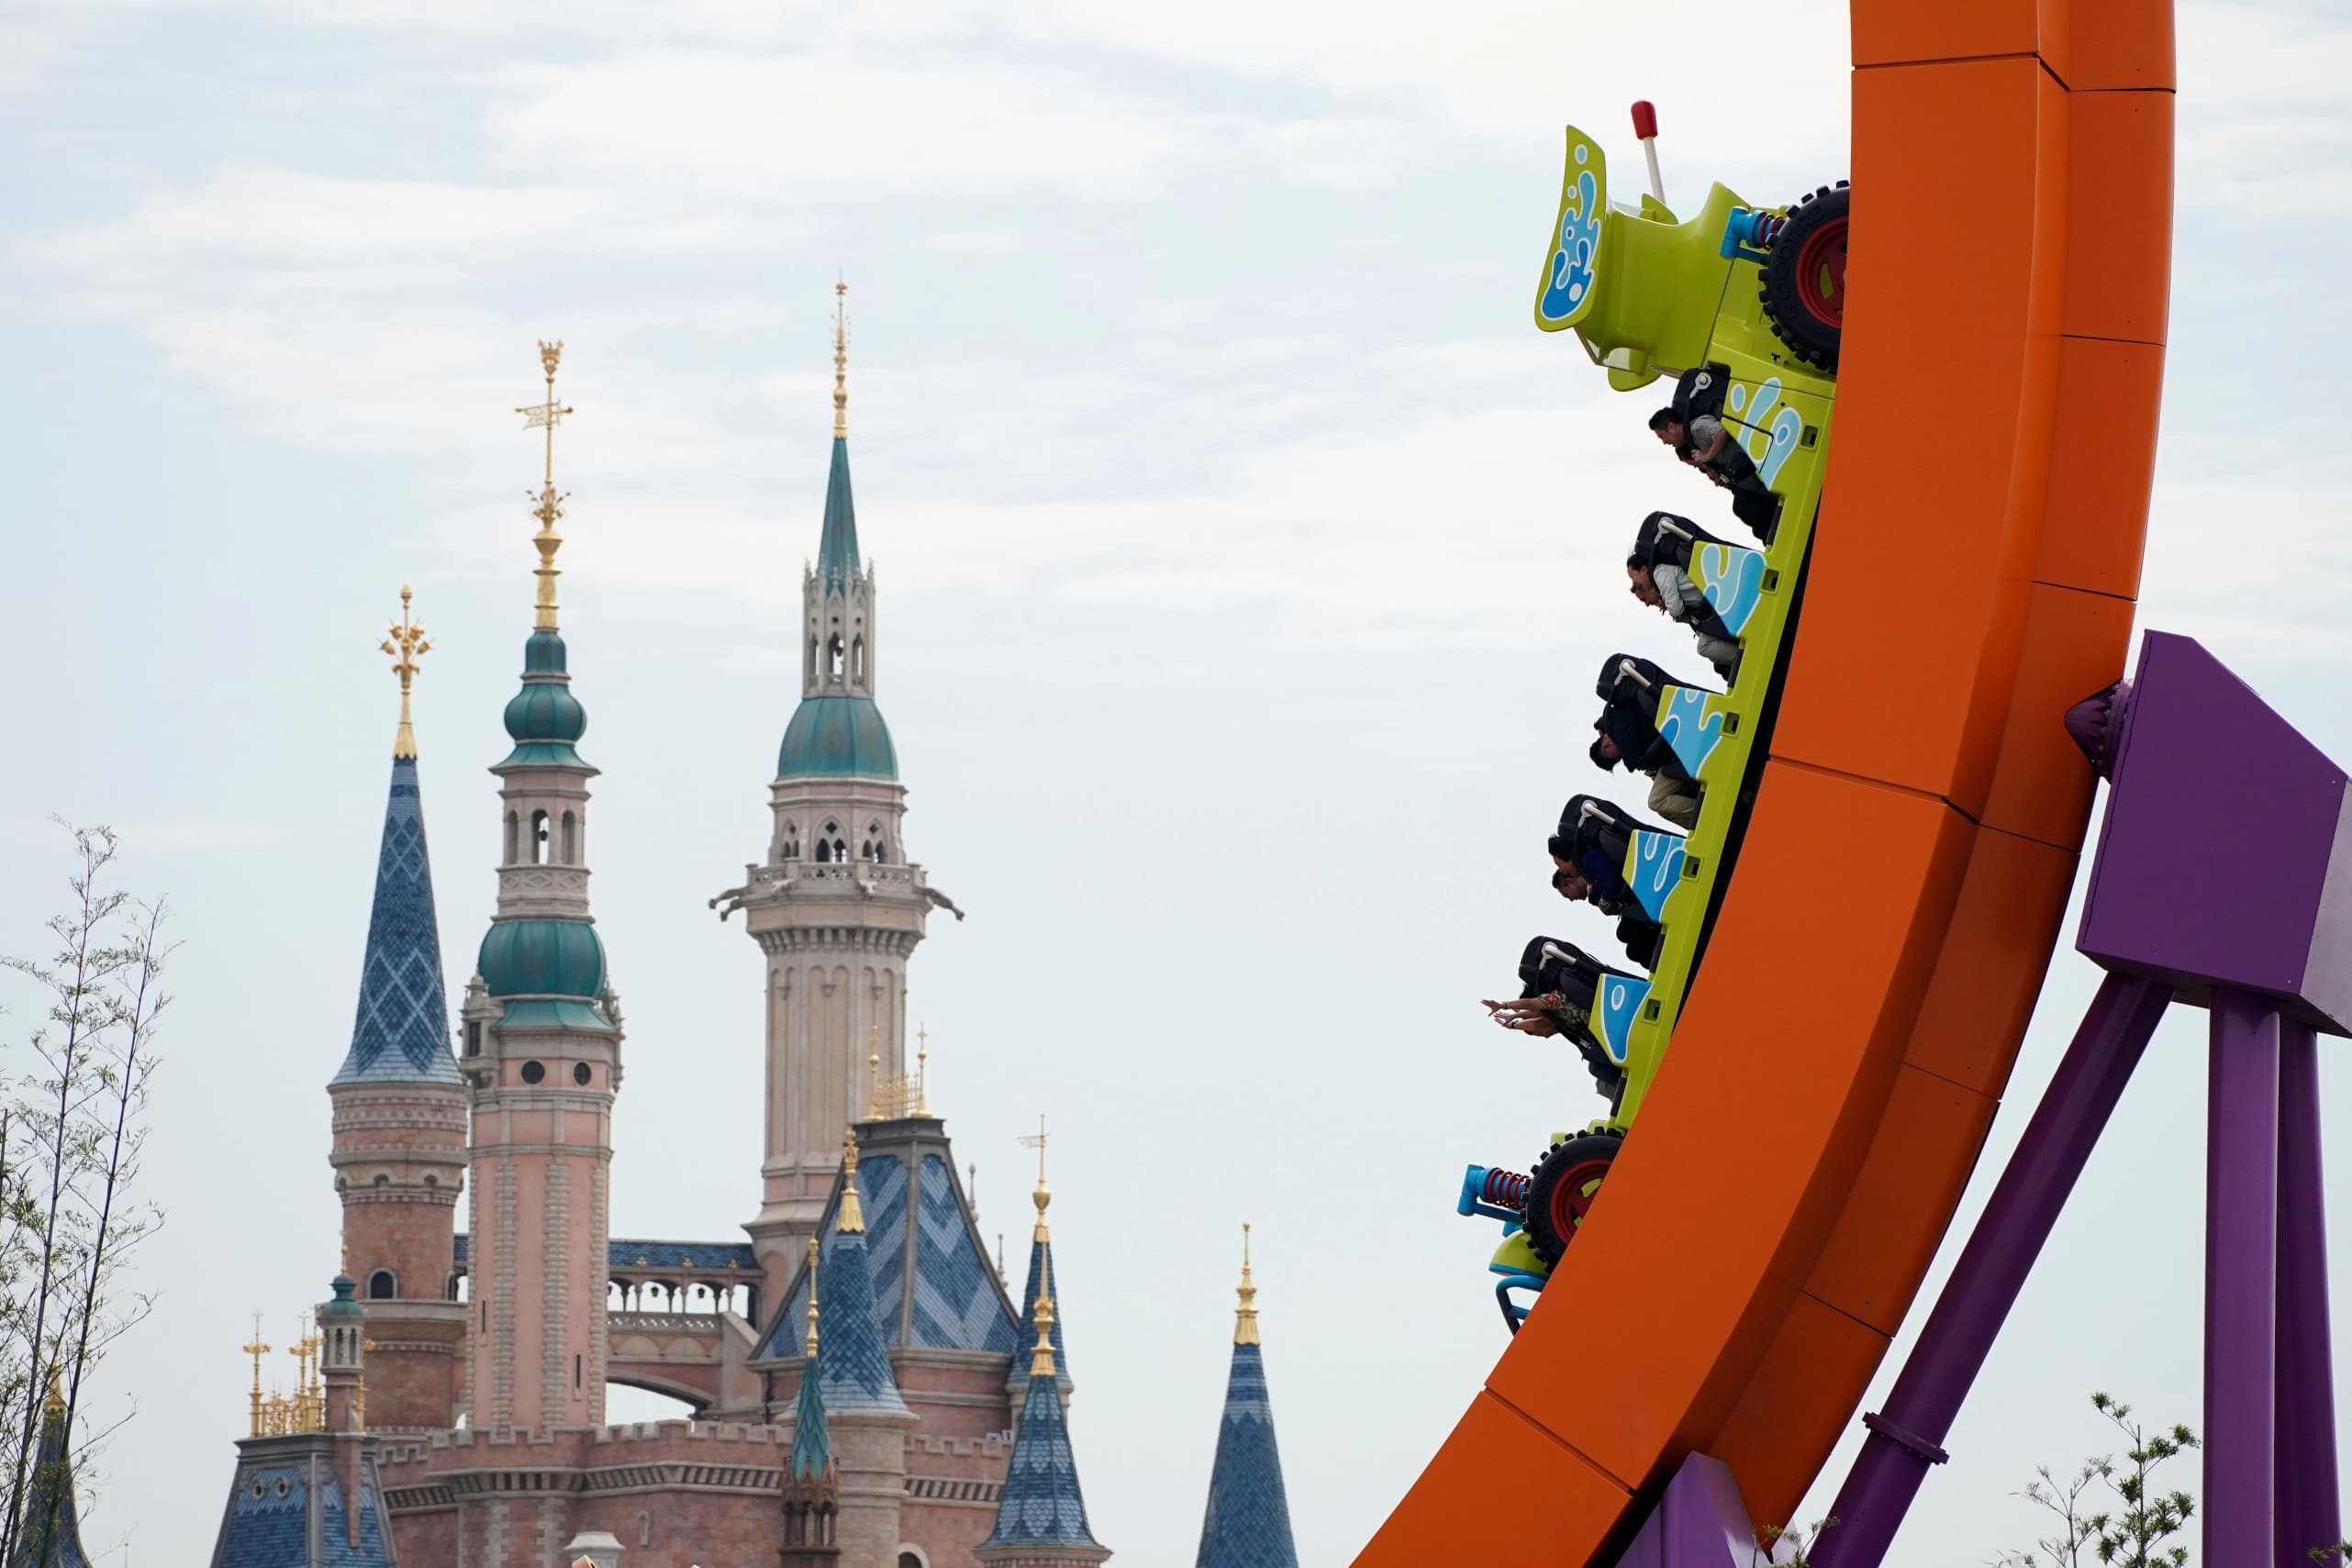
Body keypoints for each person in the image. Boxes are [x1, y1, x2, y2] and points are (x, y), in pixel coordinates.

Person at [1548, 795, 1671, 969]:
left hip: (1645, 888)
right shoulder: (1588, 867)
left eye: (1561, 866)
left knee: (1627, 933)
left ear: (1568, 858)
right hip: (1638, 892)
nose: (1562, 871)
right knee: (1628, 939)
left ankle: (1667, 961)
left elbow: (1611, 880)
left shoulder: (1590, 858)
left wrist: (1605, 899)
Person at [1591, 651, 1704, 830]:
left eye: (1613, 758)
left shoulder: (1616, 723)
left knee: (1656, 801)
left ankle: (1705, 818)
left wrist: (1631, 764)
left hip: (1676, 750)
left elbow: (1632, 759)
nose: (1619, 758)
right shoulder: (1617, 716)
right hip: (1675, 744)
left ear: (1606, 745)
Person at [1647, 405, 1779, 543]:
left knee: (1743, 506)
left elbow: (1721, 432)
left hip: (1750, 465)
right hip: (1742, 475)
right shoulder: (1692, 441)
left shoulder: (1697, 427)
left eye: (1662, 436)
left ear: (1672, 427)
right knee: (1756, 522)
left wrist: (1707, 455)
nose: (1665, 442)